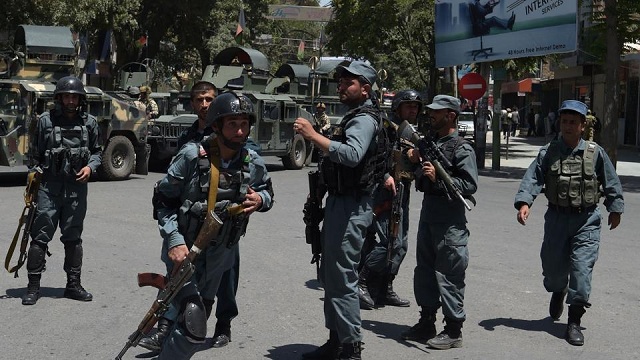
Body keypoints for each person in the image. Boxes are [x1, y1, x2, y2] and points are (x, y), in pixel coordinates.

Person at [154, 91, 274, 359]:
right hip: (186, 251)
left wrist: (260, 200)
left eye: (244, 123)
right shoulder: (191, 156)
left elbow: (268, 192)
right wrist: (174, 240)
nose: (240, 130)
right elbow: (162, 200)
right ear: (217, 126)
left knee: (196, 320)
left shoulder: (251, 161)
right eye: (232, 124)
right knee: (192, 321)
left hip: (220, 257)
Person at [514, 99, 623, 346]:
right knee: (552, 270)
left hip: (587, 219)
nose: (568, 126)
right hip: (556, 218)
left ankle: (574, 320)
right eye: (564, 121)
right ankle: (557, 289)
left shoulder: (595, 153)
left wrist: (615, 208)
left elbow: (611, 181)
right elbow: (533, 178)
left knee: (582, 271)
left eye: (573, 122)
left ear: (583, 126)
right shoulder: (549, 151)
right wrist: (524, 203)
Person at [294, 61, 384, 360]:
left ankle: (350, 347)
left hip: (351, 205)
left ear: (365, 88)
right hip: (340, 202)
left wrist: (313, 136)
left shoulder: (364, 120)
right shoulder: (355, 116)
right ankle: (336, 340)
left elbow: (352, 154)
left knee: (342, 278)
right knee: (331, 276)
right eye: (341, 81)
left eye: (349, 82)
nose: (342, 86)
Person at [401, 95, 478, 350]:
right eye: (431, 111)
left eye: (437, 112)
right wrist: (413, 161)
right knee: (424, 270)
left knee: (449, 273)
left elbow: (469, 185)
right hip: (429, 214)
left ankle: (454, 330)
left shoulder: (461, 148)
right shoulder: (429, 142)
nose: (431, 115)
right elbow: (413, 173)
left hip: (450, 219)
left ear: (451, 116)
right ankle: (427, 321)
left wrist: (440, 178)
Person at [22, 76, 102, 305]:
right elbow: (34, 155)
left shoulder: (90, 123)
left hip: (76, 189)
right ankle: (33, 287)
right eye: (66, 96)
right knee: (39, 236)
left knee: (73, 238)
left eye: (74, 96)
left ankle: (73, 285)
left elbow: (97, 151)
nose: (70, 100)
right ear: (59, 98)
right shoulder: (45, 121)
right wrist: (34, 175)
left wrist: (90, 167)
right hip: (49, 188)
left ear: (80, 99)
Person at [358, 89, 422, 309]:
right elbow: (371, 157)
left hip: (403, 190)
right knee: (388, 243)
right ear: (397, 108)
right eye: (408, 106)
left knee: (401, 245)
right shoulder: (386, 129)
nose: (413, 110)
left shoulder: (412, 132)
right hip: (384, 192)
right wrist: (385, 176)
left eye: (415, 107)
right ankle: (362, 282)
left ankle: (385, 287)